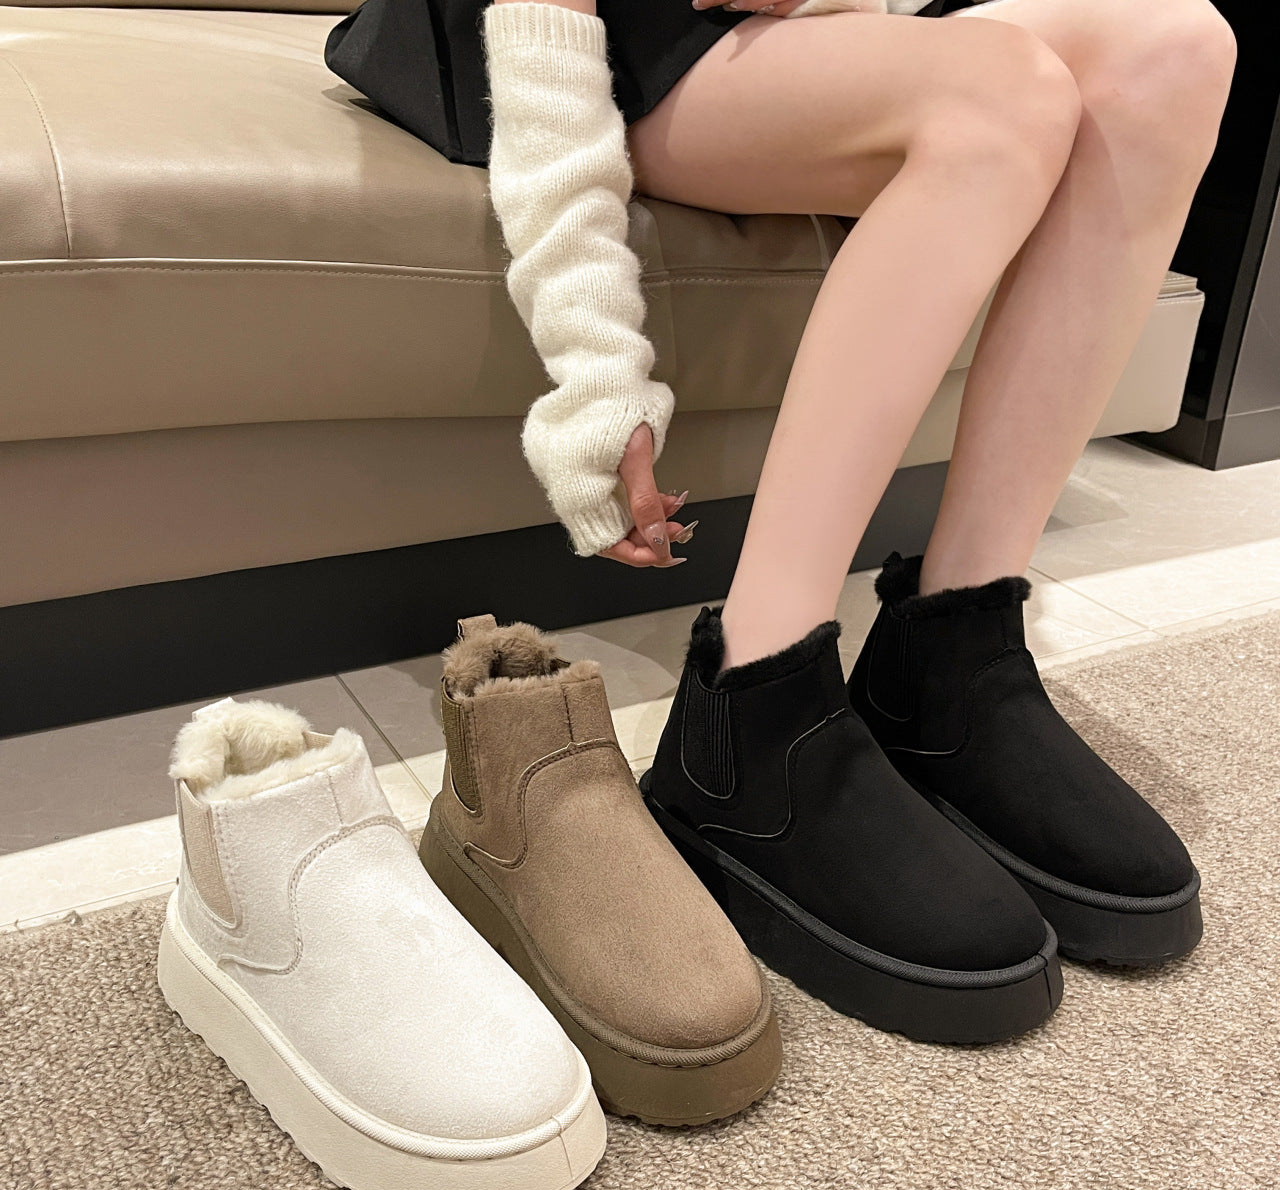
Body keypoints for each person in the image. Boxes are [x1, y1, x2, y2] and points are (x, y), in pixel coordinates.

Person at [325, 0, 1235, 1042]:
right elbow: (539, 54)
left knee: (1175, 48)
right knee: (998, 95)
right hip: (591, 35)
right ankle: (751, 713)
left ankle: (950, 658)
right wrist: (593, 370)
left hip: (755, 39)